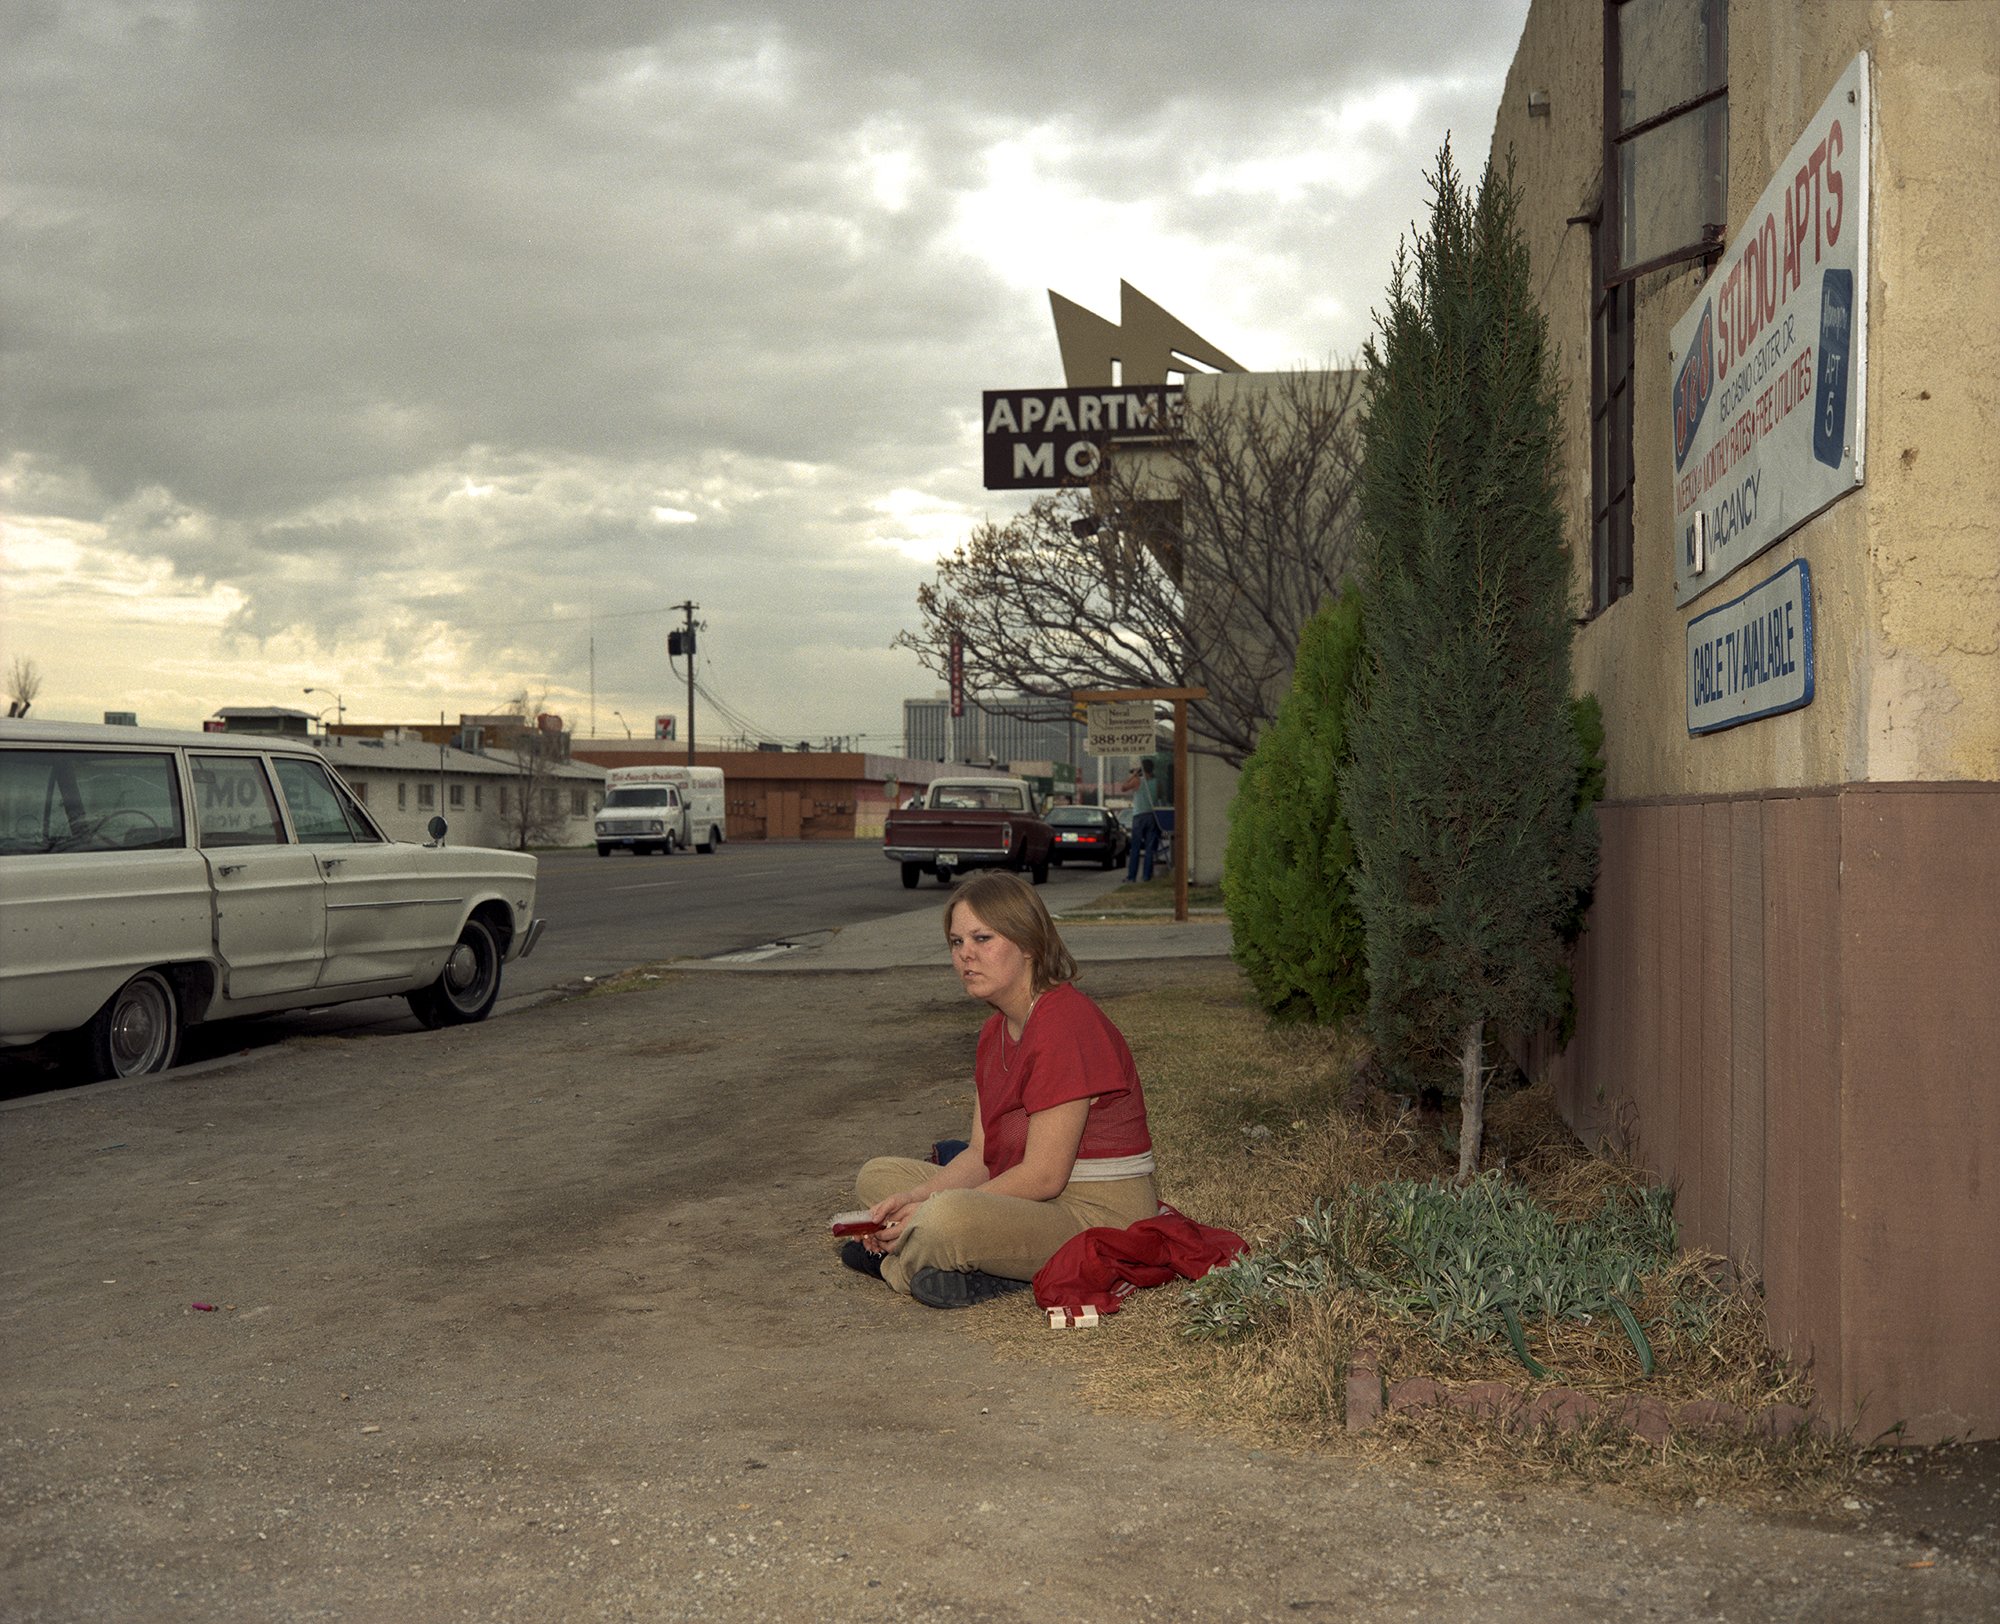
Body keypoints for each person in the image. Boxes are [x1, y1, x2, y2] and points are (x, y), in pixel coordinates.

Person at [842, 871, 1158, 1308]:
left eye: (982, 938)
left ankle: (898, 1264)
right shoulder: (995, 1031)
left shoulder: (1064, 1022)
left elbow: (1045, 1176)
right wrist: (914, 1199)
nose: (966, 956)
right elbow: (980, 1154)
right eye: (956, 942)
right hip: (1033, 1199)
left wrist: (931, 1210)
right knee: (878, 1178)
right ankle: (941, 1255)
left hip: (1093, 1214)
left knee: (946, 1217)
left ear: (1028, 943)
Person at [1119, 759, 1161, 882]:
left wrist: (1134, 775)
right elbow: (1159, 796)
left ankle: (1132, 876)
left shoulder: (1137, 781)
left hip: (1139, 816)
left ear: (1142, 769)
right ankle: (1146, 876)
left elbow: (1123, 788)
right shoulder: (1157, 783)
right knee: (1149, 848)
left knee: (1135, 848)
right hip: (1152, 815)